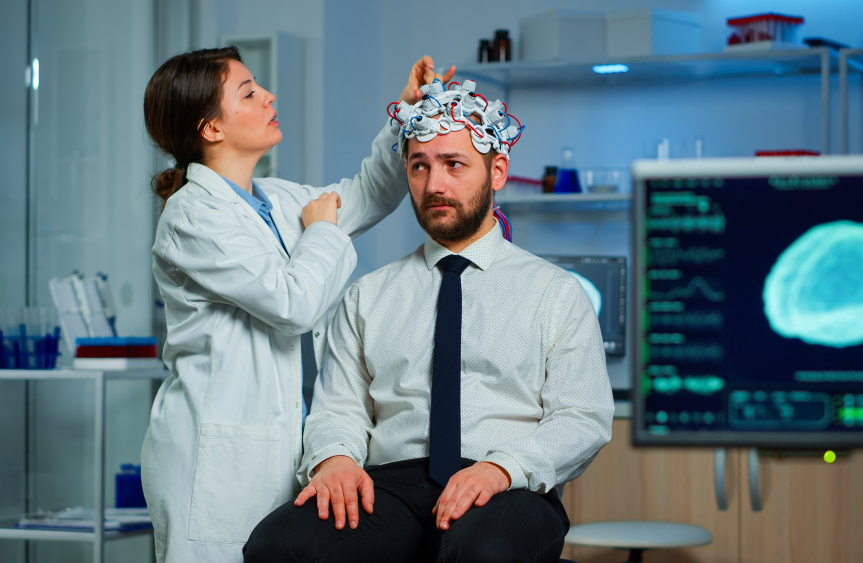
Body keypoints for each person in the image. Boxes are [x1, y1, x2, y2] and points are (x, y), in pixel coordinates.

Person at [242, 80, 615, 563]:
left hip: (505, 482)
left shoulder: (555, 293)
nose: (434, 184)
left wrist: (503, 468)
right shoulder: (368, 296)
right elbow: (338, 409)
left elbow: (582, 417)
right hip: (389, 486)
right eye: (419, 166)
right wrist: (334, 457)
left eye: (454, 164)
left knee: (486, 550)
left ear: (496, 171)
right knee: (280, 546)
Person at [140, 47, 455, 563]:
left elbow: (370, 193)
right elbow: (294, 303)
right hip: (216, 463)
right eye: (248, 92)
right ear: (212, 128)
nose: (268, 96)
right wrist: (323, 230)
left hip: (281, 448)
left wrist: (404, 112)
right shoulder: (191, 216)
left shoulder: (277, 200)